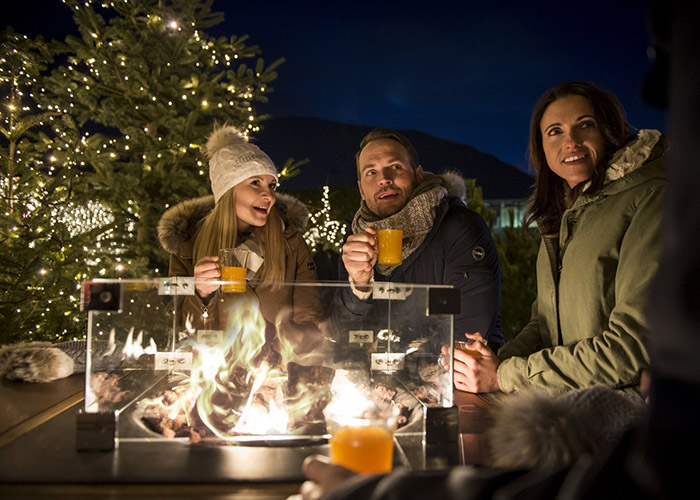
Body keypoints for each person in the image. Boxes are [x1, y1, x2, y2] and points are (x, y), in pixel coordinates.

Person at [449, 81, 666, 396]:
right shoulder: (562, 217)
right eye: (555, 131)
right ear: (542, 147)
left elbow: (632, 349)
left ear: (609, 130)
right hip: (564, 405)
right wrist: (493, 361)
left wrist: (505, 375)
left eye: (585, 125)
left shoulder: (650, 200)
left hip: (623, 417)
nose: (572, 142)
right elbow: (544, 327)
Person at [331, 128, 504, 354]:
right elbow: (339, 333)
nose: (384, 179)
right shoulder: (357, 237)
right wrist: (359, 285)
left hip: (454, 379)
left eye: (396, 167)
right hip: (381, 381)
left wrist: (395, 362)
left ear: (418, 174)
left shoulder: (459, 227)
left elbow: (468, 333)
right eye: (371, 172)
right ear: (361, 190)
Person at [158, 125, 323, 339]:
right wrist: (201, 295)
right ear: (228, 190)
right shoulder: (186, 245)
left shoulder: (290, 241)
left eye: (272, 185)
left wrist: (288, 356)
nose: (269, 196)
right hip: (215, 368)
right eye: (255, 183)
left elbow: (309, 316)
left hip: (274, 369)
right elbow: (182, 331)